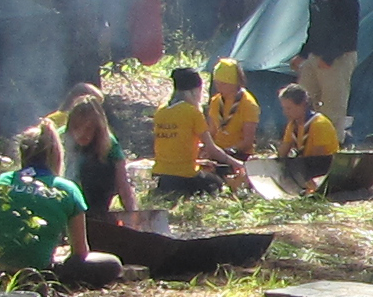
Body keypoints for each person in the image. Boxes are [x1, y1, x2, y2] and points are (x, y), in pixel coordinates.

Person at [0, 124, 122, 287]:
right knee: (112, 263)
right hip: (38, 272)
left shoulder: (0, 182)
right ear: (55, 153)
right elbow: (80, 252)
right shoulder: (67, 189)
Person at [296, 0, 361, 141]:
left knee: (333, 108)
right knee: (303, 101)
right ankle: (305, 144)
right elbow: (314, 27)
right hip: (315, 55)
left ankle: (332, 149)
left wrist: (330, 56)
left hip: (338, 57)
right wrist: (303, 54)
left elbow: (349, 28)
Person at [149, 66, 245, 197]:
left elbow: (172, 146)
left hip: (161, 176)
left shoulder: (161, 110)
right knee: (217, 182)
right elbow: (211, 149)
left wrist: (198, 162)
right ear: (195, 90)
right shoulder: (192, 112)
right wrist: (238, 163)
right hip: (184, 176)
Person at [61, 90, 137, 216]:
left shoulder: (109, 144)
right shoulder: (59, 139)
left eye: (88, 129)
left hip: (96, 206)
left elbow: (123, 186)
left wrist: (134, 216)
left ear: (98, 128)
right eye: (76, 127)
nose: (81, 134)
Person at [276, 84, 340, 186]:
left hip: (324, 169)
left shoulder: (319, 124)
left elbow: (317, 159)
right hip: (306, 166)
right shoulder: (293, 125)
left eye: (289, 108)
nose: (285, 113)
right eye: (284, 108)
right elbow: (283, 152)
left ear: (303, 104)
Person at [202, 59, 262, 165]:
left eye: (223, 84)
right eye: (217, 83)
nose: (218, 87)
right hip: (217, 153)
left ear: (235, 83)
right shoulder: (216, 101)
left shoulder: (248, 104)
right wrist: (206, 148)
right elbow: (211, 131)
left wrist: (228, 151)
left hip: (239, 155)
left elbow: (248, 142)